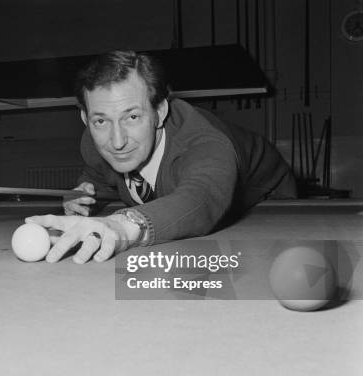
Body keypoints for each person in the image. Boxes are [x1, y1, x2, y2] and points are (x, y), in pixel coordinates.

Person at [26, 50, 296, 264]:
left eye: (132, 117)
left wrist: (122, 226)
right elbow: (97, 176)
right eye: (101, 121)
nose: (117, 141)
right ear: (86, 118)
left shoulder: (204, 144)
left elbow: (200, 198)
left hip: (270, 200)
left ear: (160, 111)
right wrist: (82, 198)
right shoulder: (94, 143)